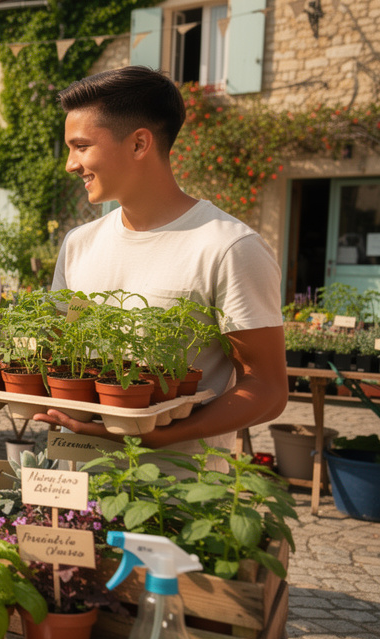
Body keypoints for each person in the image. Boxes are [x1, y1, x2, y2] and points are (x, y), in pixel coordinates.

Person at [34, 66, 287, 459]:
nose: (70, 164)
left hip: (174, 495)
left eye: (81, 146)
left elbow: (268, 390)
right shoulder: (79, 243)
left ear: (139, 144)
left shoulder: (228, 246)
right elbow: (64, 352)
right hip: (75, 481)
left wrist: (159, 436)